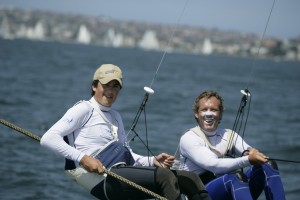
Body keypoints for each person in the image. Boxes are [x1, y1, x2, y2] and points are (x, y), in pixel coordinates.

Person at [40, 64, 211, 200]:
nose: (111, 90)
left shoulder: (115, 117)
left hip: (122, 173)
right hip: (104, 180)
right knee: (165, 177)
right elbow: (48, 138)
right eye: (106, 85)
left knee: (190, 179)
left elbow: (128, 155)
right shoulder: (84, 109)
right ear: (94, 86)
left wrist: (152, 161)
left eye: (116, 86)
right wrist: (83, 158)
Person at [175, 90, 285, 200]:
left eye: (213, 110)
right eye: (204, 109)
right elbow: (213, 165)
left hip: (230, 190)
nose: (209, 114)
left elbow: (249, 151)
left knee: (268, 164)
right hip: (200, 194)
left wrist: (254, 155)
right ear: (196, 114)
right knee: (236, 177)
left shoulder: (229, 135)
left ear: (220, 113)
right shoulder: (189, 138)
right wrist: (248, 159)